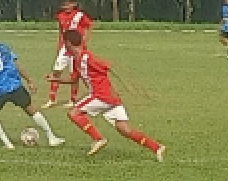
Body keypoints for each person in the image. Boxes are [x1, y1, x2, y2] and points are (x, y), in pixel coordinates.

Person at [50, 30, 166, 161]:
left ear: (68, 43)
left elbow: (110, 66)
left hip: (101, 95)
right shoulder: (77, 60)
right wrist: (55, 79)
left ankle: (98, 139)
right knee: (124, 129)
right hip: (111, 98)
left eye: (64, 44)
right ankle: (157, 147)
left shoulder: (87, 57)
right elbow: (74, 80)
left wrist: (128, 84)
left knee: (74, 113)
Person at [0, 18, 64, 150]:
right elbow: (17, 65)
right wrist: (29, 80)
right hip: (14, 84)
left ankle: (8, 143)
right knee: (31, 109)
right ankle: (51, 137)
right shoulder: (2, 46)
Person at [44, 0, 93, 108]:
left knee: (74, 74)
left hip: (76, 48)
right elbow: (61, 32)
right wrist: (59, 45)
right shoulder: (60, 16)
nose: (65, 6)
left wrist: (84, 40)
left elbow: (89, 25)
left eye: (67, 4)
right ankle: (52, 99)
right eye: (63, 4)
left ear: (74, 5)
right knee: (56, 71)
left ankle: (72, 100)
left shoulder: (79, 15)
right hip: (65, 48)